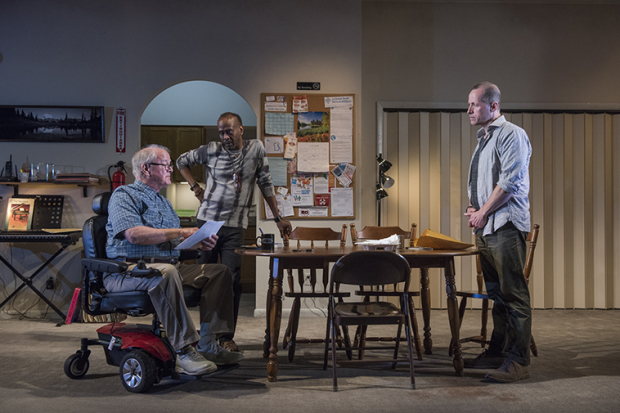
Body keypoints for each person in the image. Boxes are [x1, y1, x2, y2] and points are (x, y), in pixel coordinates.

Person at [104, 144, 243, 376]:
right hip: (127, 271)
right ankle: (184, 350)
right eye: (166, 165)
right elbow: (133, 235)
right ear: (147, 169)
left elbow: (171, 244)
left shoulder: (164, 203)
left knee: (219, 271)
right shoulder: (124, 195)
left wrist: (199, 242)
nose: (171, 169)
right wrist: (180, 232)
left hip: (166, 265)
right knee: (164, 272)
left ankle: (209, 344)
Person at [177, 112, 292, 353]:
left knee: (231, 281)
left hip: (236, 225)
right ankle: (203, 334)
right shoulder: (210, 149)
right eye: (221, 132)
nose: (225, 136)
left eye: (229, 131)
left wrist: (278, 218)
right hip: (207, 223)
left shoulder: (256, 149)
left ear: (241, 129)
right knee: (200, 280)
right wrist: (196, 188)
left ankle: (226, 337)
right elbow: (181, 162)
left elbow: (265, 182)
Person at [464, 82, 533, 383]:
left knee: (513, 294)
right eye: (469, 104)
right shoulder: (484, 139)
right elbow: (485, 183)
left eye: (474, 104)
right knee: (498, 295)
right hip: (488, 227)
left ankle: (519, 360)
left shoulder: (511, 134)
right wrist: (473, 206)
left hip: (504, 225)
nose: (468, 110)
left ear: (493, 106)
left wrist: (482, 212)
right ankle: (497, 351)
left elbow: (510, 183)